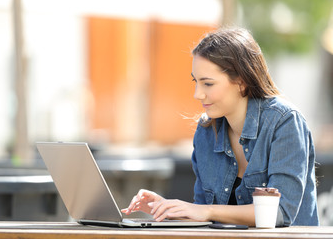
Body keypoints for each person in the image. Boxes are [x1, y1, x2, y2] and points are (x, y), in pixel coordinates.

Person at [121, 27, 319, 227]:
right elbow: (204, 216)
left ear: (241, 82)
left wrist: (205, 210)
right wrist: (168, 209)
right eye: (195, 82)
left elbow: (280, 212)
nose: (197, 94)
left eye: (208, 84)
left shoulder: (284, 122)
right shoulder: (206, 131)